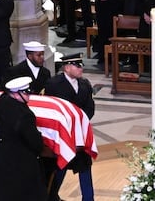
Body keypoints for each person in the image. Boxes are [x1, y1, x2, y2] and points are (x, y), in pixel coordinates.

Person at [44, 53, 96, 201]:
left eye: (81, 66)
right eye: (77, 66)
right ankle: (52, 197)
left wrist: (80, 123)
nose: (81, 69)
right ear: (67, 67)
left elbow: (89, 108)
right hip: (63, 135)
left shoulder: (85, 84)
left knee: (85, 167)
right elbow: (52, 108)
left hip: (80, 135)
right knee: (60, 167)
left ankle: (88, 198)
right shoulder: (53, 84)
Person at [0, 76, 46, 201]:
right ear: (16, 94)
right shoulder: (25, 115)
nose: (29, 96)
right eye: (26, 93)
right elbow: (36, 143)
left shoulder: (2, 101)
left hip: (4, 157)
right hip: (22, 163)